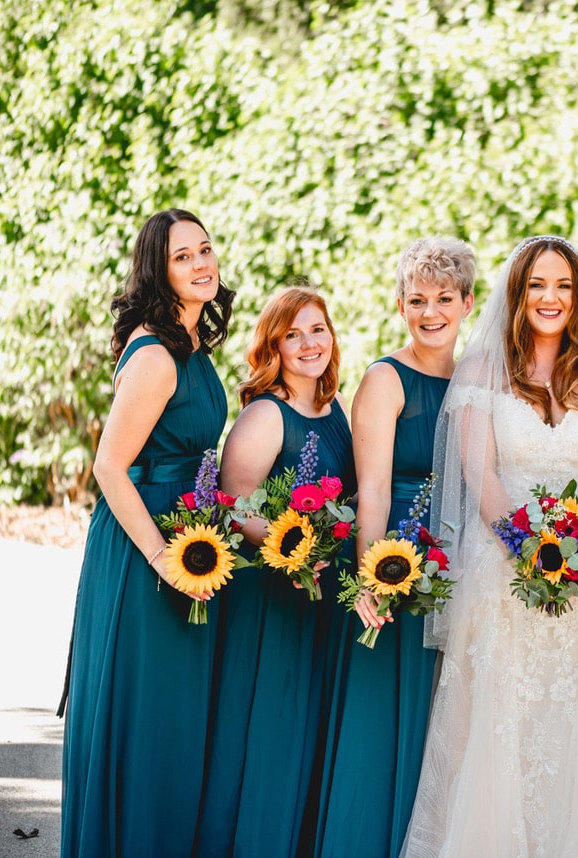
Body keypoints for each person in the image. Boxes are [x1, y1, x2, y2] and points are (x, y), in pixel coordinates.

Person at [401, 236, 578, 857]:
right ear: (517, 295)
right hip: (503, 572)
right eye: (537, 286)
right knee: (503, 732)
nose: (550, 298)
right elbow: (482, 475)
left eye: (564, 287)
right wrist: (529, 548)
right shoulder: (481, 371)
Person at [59, 209, 234, 856]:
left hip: (186, 529)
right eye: (183, 256)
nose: (201, 263)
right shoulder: (157, 355)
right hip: (145, 542)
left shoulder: (189, 346)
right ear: (159, 272)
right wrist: (162, 556)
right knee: (146, 710)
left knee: (173, 717)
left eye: (206, 249)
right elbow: (108, 465)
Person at [313, 237, 476, 857]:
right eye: (416, 300)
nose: (430, 312)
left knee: (446, 724)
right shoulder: (386, 379)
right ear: (400, 306)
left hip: (464, 564)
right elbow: (373, 489)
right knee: (387, 722)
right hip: (399, 564)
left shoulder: (477, 379)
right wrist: (371, 577)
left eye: (443, 298)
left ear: (465, 303)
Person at [191, 283, 352, 856]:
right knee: (266, 731)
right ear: (274, 346)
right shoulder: (267, 413)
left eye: (318, 329)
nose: (310, 343)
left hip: (321, 595)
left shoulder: (334, 410)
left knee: (306, 735)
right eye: (293, 334)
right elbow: (232, 507)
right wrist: (298, 546)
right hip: (271, 598)